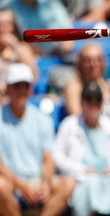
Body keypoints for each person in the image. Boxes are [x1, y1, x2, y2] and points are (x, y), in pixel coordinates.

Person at [53, 81, 110, 216]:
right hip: (82, 178)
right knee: (89, 190)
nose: (93, 105)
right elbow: (58, 155)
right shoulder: (69, 125)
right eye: (89, 100)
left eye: (97, 101)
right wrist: (82, 169)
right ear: (82, 102)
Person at [0, 63, 75, 216]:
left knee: (68, 184)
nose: (22, 91)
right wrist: (21, 185)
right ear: (8, 88)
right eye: (17, 86)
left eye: (25, 86)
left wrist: (45, 183)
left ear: (31, 89)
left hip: (36, 180)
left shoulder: (42, 119)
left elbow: (48, 158)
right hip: (12, 182)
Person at [0, 7, 38, 105]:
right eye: (0, 24)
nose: (2, 28)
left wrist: (15, 47)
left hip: (17, 97)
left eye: (6, 24)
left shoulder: (22, 48)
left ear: (13, 26)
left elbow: (34, 76)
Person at [8, 0, 74, 57]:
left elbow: (69, 33)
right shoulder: (10, 7)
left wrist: (64, 50)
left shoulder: (51, 4)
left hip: (60, 54)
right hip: (33, 56)